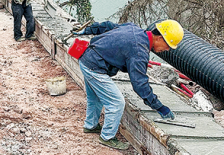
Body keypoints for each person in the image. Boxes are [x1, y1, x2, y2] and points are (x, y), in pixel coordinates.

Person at [76, 19, 184, 150]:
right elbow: (140, 84)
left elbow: (108, 26)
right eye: (167, 46)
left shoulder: (134, 29)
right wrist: (159, 107)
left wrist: (87, 30)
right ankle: (107, 137)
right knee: (116, 103)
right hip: (95, 67)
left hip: (86, 58)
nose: (166, 50)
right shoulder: (139, 51)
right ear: (160, 38)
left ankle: (90, 126)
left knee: (95, 97)